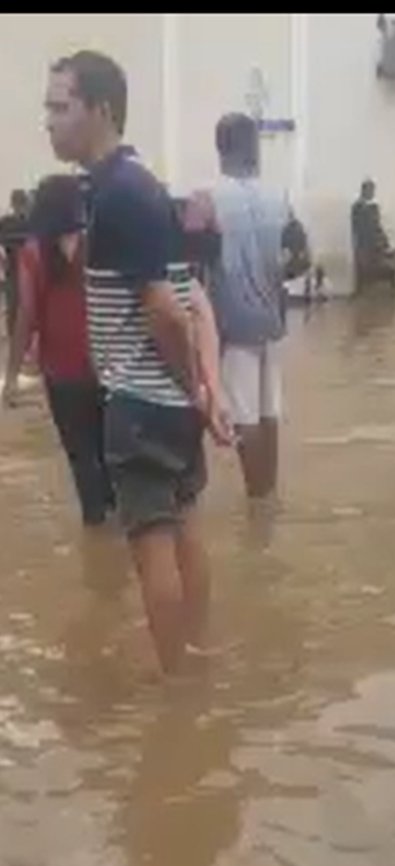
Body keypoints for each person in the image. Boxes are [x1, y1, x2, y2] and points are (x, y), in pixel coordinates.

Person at [45, 49, 232, 673]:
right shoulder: (131, 188)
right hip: (169, 403)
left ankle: (175, 686)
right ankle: (198, 653)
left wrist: (195, 386)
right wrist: (205, 391)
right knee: (187, 528)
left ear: (99, 110)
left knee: (153, 548)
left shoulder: (122, 194)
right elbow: (193, 297)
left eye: (59, 106)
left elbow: (169, 312)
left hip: (140, 402)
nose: (48, 121)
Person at [185, 112, 304, 500]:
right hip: (273, 320)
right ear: (255, 147)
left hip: (232, 325)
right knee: (269, 412)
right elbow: (302, 258)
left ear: (220, 148)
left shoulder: (205, 201)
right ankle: (268, 495)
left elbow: (186, 268)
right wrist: (272, 277)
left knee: (243, 415)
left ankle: (256, 499)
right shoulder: (280, 198)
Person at [2, 174, 115, 525]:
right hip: (106, 364)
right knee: (109, 449)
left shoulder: (34, 253)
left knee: (80, 455)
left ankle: (96, 528)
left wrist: (11, 376)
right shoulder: (98, 244)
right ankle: (121, 530)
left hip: (61, 372)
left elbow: (26, 318)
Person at [350, 179, 395, 294]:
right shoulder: (357, 208)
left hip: (376, 245)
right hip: (365, 246)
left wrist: (385, 242)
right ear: (363, 191)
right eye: (370, 190)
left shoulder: (374, 207)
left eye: (373, 190)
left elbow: (377, 226)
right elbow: (359, 229)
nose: (372, 193)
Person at [0, 188, 32, 338]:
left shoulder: (31, 222)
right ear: (13, 204)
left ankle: (26, 340)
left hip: (29, 269)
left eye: (22, 204)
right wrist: (2, 260)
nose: (20, 208)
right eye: (18, 204)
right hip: (12, 269)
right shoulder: (5, 223)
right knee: (13, 305)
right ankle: (14, 338)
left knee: (27, 305)